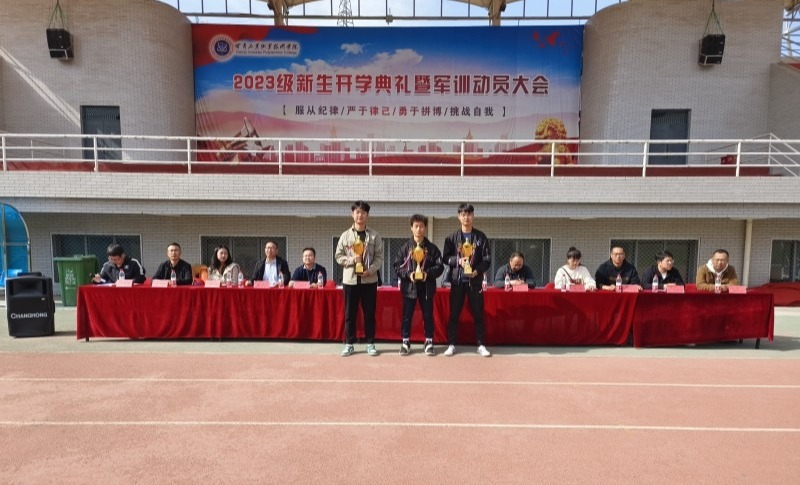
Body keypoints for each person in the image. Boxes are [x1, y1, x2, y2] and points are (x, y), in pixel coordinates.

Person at [335, 200, 384, 357]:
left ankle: (370, 343)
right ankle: (349, 343)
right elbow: (338, 256)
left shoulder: (375, 236)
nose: (360, 215)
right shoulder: (345, 236)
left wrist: (370, 270)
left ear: (367, 215)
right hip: (350, 280)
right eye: (357, 212)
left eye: (363, 212)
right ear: (352, 214)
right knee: (350, 314)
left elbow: (379, 258)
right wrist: (351, 260)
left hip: (369, 280)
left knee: (369, 313)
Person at [442, 203, 492, 357]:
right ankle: (451, 344)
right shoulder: (451, 238)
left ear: (473, 216)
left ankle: (481, 345)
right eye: (463, 214)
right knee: (454, 314)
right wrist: (458, 261)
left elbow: (487, 259)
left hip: (475, 282)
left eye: (469, 214)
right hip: (457, 282)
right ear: (459, 217)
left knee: (478, 314)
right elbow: (445, 258)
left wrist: (477, 271)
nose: (466, 218)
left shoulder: (481, 237)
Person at [392, 214, 444, 356]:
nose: (419, 229)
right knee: (407, 316)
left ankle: (429, 342)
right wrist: (408, 274)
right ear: (411, 228)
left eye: (421, 226)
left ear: (425, 228)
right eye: (416, 226)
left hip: (427, 288)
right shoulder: (405, 248)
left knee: (428, 315)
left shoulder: (432, 249)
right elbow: (397, 266)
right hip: (409, 287)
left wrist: (428, 273)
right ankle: (405, 342)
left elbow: (440, 267)